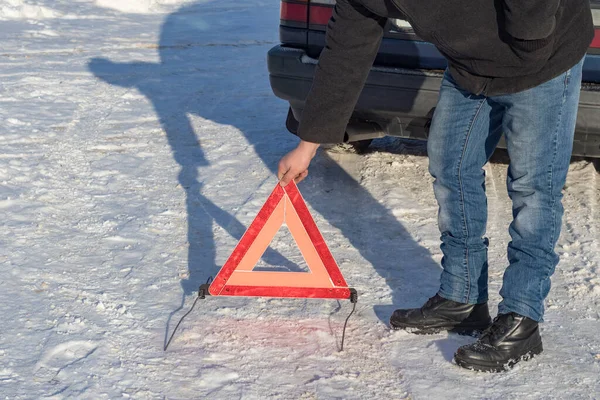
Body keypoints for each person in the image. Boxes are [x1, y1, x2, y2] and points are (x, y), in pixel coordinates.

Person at [277, 0, 594, 372]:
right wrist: (307, 144)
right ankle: (462, 298)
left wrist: (528, 38)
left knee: (533, 189)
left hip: (543, 56)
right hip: (471, 69)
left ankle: (522, 317)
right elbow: (345, 52)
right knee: (451, 166)